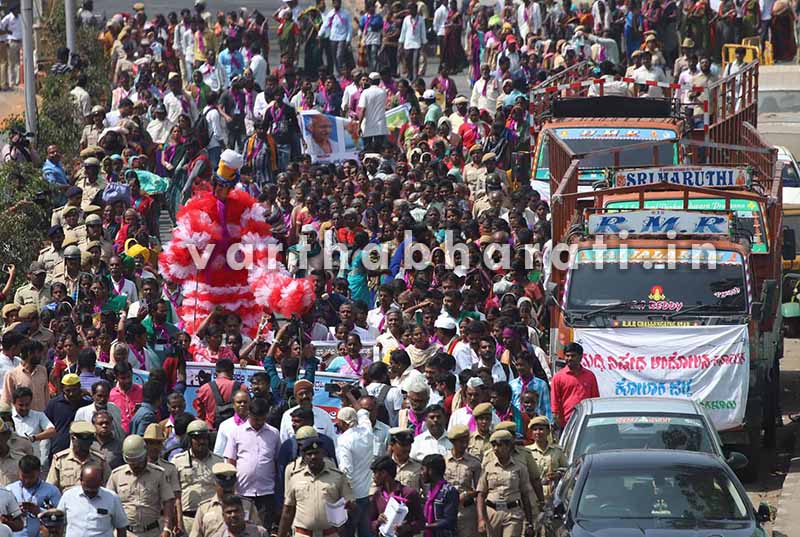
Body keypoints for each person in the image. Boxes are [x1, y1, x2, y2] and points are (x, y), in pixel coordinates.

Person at [276, 432, 354, 537]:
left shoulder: (338, 477)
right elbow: (287, 512)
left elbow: (351, 505)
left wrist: (350, 506)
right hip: (303, 534)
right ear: (303, 456)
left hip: (330, 533)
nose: (313, 457)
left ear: (323, 454)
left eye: (317, 453)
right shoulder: (295, 478)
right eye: (309, 454)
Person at [223, 397, 280, 530]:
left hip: (266, 493)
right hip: (242, 492)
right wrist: (231, 490)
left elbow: (277, 462)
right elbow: (230, 462)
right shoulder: (236, 433)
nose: (258, 422)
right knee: (242, 529)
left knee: (263, 530)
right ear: (249, 414)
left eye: (262, 419)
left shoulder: (274, 434)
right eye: (255, 419)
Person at [106, 435, 175, 537]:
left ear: (145, 454)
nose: (136, 465)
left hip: (152, 532)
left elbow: (168, 501)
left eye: (139, 461)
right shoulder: (116, 475)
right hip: (125, 532)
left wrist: (167, 528)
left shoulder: (158, 474)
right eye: (132, 462)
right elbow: (108, 503)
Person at [476, 430, 535, 537]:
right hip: (492, 514)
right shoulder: (488, 467)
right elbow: (481, 494)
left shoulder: (520, 468)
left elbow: (525, 496)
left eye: (499, 445)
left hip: (512, 513)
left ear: (509, 447)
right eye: (493, 445)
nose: (495, 449)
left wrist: (529, 523)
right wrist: (481, 519)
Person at [171, 420, 223, 533]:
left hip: (211, 518)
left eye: (204, 438)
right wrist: (177, 522)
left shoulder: (219, 461)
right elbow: (174, 495)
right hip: (188, 519)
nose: (202, 441)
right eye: (197, 438)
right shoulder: (177, 461)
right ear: (190, 439)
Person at [56, 463, 128, 537]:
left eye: (94, 490)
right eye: (87, 490)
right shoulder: (68, 496)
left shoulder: (112, 498)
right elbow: (58, 523)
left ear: (101, 482)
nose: (90, 492)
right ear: (81, 481)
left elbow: (121, 527)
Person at [190, 463, 259, 537]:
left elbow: (257, 531)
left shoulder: (247, 505)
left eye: (230, 485)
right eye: (224, 486)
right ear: (215, 483)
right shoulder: (204, 509)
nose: (228, 489)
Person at [335, 406, 374, 537]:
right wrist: (349, 396)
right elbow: (363, 412)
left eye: (338, 421)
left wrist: (346, 495)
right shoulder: (367, 431)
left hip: (353, 495)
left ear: (344, 423)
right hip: (368, 491)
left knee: (348, 532)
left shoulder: (343, 441)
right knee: (366, 531)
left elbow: (346, 470)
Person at [368, 455, 424, 536]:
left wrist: (407, 527)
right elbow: (370, 523)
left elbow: (421, 522)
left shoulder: (409, 493)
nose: (373, 477)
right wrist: (378, 522)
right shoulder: (377, 495)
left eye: (375, 473)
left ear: (384, 473)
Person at [47, 421, 111, 492]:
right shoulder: (60, 460)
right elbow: (51, 488)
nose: (86, 443)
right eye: (82, 441)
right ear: (73, 438)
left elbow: (108, 487)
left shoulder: (99, 461)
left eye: (89, 439)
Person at [9, 455, 62, 537]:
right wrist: (15, 512)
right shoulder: (10, 490)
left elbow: (60, 518)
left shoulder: (51, 491)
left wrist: (39, 511)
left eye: (31, 477)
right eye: (24, 477)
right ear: (18, 471)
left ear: (39, 473)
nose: (27, 481)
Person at [444, 425, 481, 537]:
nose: (464, 444)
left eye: (466, 441)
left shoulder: (474, 463)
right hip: (447, 510)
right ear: (452, 442)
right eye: (460, 442)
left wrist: (467, 494)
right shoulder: (443, 460)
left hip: (466, 511)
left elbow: (480, 490)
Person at [550, 342, 599, 428]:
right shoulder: (558, 377)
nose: (569, 358)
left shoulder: (590, 376)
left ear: (580, 357)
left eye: (573, 356)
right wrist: (556, 419)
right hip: (566, 423)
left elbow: (595, 399)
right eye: (567, 356)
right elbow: (555, 401)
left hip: (586, 421)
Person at [44, 374, 92, 456]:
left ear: (80, 387)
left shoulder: (87, 405)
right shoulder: (54, 404)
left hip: (82, 451)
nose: (71, 394)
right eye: (68, 390)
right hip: (58, 450)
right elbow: (46, 426)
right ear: (62, 388)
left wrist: (90, 394)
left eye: (74, 390)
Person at [10, 386, 55, 465]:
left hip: (32, 463)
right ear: (13, 403)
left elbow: (52, 431)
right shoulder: (7, 417)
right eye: (20, 405)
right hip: (13, 462)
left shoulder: (39, 416)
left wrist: (33, 438)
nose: (24, 408)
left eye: (27, 404)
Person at [525, 416, 567, 500]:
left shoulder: (557, 451)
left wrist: (558, 474)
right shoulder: (527, 452)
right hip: (534, 495)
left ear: (548, 431)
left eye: (541, 429)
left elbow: (567, 471)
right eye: (535, 429)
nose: (538, 432)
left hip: (554, 495)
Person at [193, 359, 240, 429]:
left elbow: (200, 413)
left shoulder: (204, 389)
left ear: (216, 372)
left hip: (211, 430)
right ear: (232, 371)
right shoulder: (241, 387)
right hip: (235, 430)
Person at [420, 454, 458, 537]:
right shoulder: (428, 490)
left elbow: (449, 521)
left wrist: (426, 526)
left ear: (431, 471)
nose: (421, 473)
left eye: (423, 469)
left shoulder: (449, 491)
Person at [358, 73, 389, 152]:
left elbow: (362, 110)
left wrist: (359, 125)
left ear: (370, 81)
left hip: (368, 126)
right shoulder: (383, 92)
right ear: (379, 81)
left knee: (367, 151)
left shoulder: (365, 93)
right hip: (380, 127)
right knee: (379, 151)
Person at [213, 389, 250, 456]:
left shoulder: (255, 424)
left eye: (245, 402)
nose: (242, 404)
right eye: (239, 402)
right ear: (233, 404)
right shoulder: (225, 425)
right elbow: (218, 452)